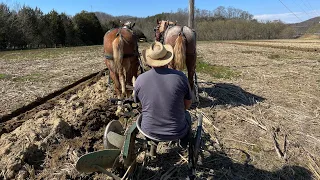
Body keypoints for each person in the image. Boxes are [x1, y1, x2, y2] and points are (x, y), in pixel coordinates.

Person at [134, 41, 192, 146]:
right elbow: (187, 105)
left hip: (149, 132)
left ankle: (152, 144)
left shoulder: (140, 79)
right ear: (167, 59)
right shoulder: (181, 77)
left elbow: (138, 103)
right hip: (177, 131)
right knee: (187, 116)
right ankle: (184, 142)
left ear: (149, 60)